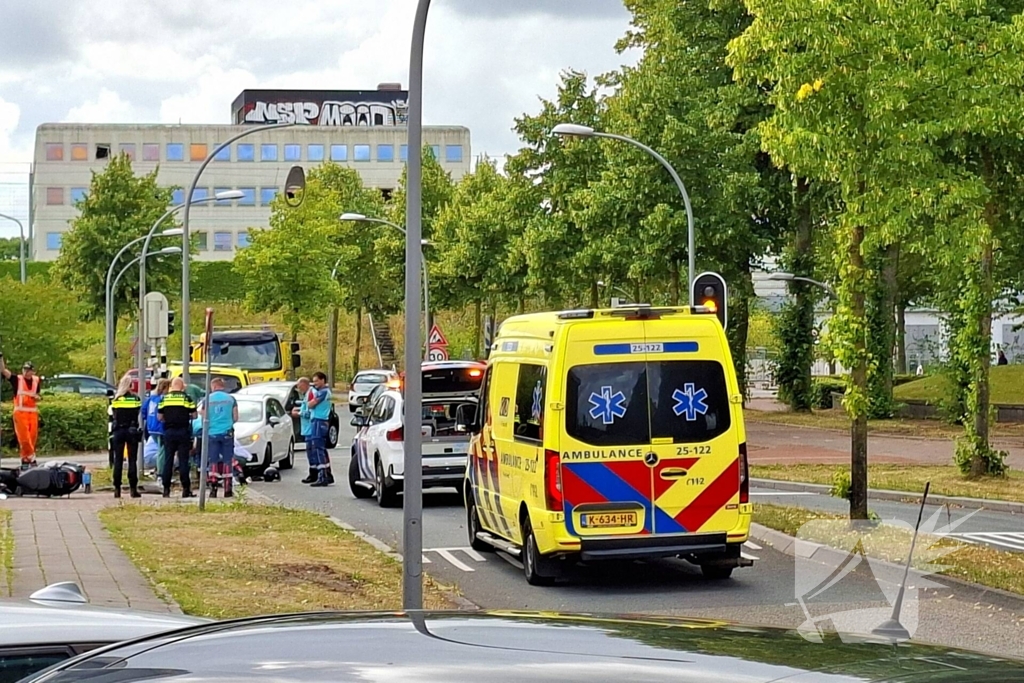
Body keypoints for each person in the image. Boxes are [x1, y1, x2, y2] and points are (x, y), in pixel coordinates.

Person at [158, 378, 197, 498]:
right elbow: (194, 415)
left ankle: (166, 489)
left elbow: (159, 417)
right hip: (183, 432)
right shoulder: (186, 398)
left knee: (168, 460)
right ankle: (186, 489)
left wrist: (169, 419)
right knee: (183, 460)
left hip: (169, 432)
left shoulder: (165, 399)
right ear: (182, 387)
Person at [0, 355, 42, 469]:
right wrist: (1, 359)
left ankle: (25, 460)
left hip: (32, 413)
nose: (26, 372)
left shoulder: (36, 380)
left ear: (33, 372)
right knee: (24, 438)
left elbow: (38, 394)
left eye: (28, 370)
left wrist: (37, 397)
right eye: (24, 369)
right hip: (20, 413)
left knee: (32, 438)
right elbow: (3, 371)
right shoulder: (17, 380)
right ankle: (32, 458)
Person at [200, 377, 239, 498]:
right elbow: (236, 417)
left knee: (213, 460)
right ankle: (228, 488)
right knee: (228, 460)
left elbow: (204, 418)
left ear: (214, 386)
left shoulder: (207, 400)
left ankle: (213, 487)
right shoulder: (231, 399)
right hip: (227, 433)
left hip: (212, 433)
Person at [109, 376, 142, 498]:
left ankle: (117, 489)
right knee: (132, 460)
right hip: (131, 431)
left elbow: (113, 415)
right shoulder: (135, 399)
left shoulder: (116, 399)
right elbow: (137, 413)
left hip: (118, 431)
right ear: (130, 385)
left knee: (118, 460)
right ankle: (133, 489)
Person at [307, 372, 333, 487]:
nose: (315, 383)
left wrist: (310, 401)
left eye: (317, 381)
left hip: (319, 421)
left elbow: (311, 404)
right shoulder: (320, 391)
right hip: (317, 420)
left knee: (318, 449)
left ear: (323, 380)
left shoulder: (323, 392)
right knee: (320, 448)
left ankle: (323, 476)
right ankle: (327, 474)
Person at [291, 377, 317, 484]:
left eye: (299, 386)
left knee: (312, 452)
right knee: (310, 452)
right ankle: (313, 473)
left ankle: (314, 474)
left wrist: (299, 414)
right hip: (307, 429)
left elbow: (311, 412)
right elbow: (305, 408)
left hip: (311, 428)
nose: (298, 388)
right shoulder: (307, 394)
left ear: (304, 384)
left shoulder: (311, 394)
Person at [144, 379, 171, 477]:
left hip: (150, 427)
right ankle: (161, 473)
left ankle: (158, 470)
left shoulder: (151, 398)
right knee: (162, 450)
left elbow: (143, 411)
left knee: (160, 449)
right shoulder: (162, 399)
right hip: (159, 428)